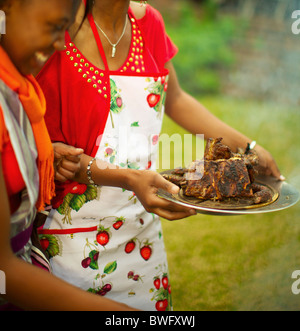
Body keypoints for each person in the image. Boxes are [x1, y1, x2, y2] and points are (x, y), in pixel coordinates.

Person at [36, 0, 284, 311]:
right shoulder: (57, 27)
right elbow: (56, 154)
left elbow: (176, 99)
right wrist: (129, 179)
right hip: (69, 241)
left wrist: (248, 148)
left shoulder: (148, 23)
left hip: (142, 238)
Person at [0, 0, 138, 311]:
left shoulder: (19, 87)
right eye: (54, 27)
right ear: (7, 7)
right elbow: (4, 271)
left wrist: (42, 153)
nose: (63, 44)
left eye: (66, 29)